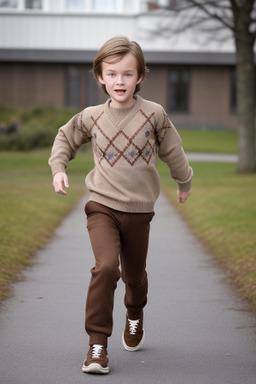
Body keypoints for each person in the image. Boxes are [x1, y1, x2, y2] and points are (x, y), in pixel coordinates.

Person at [48, 36, 193, 374]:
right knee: (106, 267)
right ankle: (97, 345)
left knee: (135, 277)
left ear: (140, 76)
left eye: (127, 75)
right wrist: (58, 169)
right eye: (112, 74)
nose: (119, 81)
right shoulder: (92, 116)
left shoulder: (154, 114)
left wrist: (183, 181)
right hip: (102, 205)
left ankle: (135, 311)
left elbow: (173, 150)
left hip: (140, 210)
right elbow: (64, 138)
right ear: (100, 76)